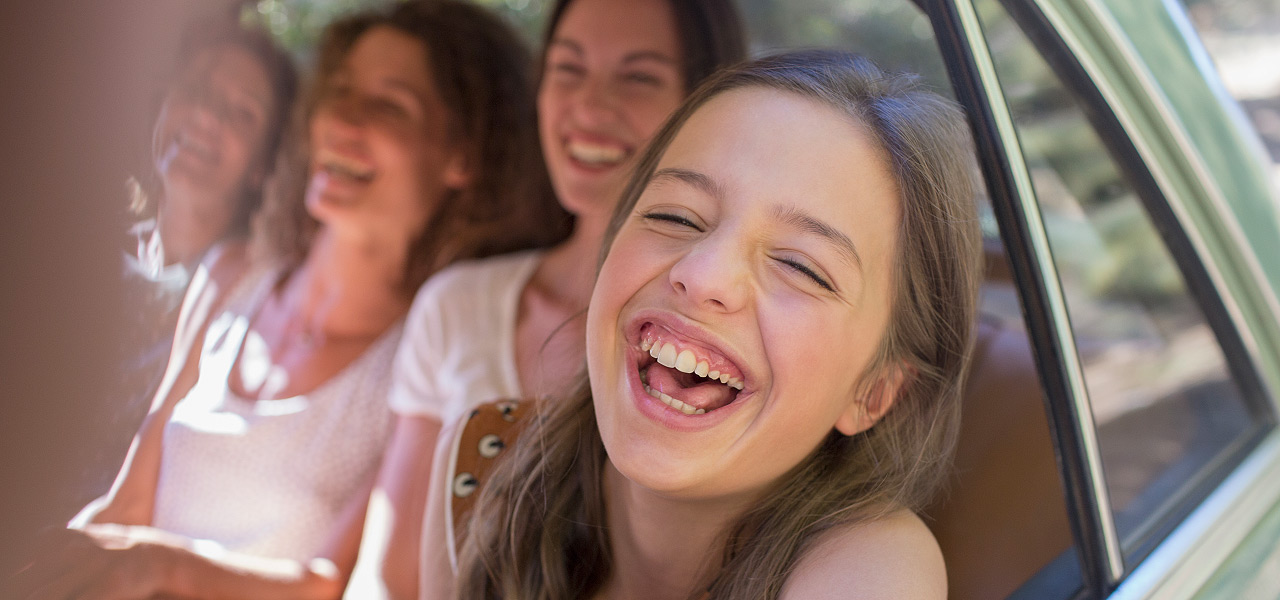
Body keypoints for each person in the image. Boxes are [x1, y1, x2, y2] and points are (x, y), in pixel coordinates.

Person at [10, 2, 560, 598]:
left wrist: (159, 569)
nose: (342, 119)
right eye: (340, 90)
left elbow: (330, 584)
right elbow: (125, 505)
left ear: (464, 157)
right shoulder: (230, 274)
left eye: (388, 105)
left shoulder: (424, 356)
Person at [430, 50, 985, 599]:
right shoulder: (484, 463)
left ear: (876, 390)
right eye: (675, 216)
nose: (703, 275)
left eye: (799, 266)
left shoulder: (875, 567)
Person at [350, 1, 746, 596]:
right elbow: (385, 578)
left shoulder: (716, 346)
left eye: (638, 77)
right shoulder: (456, 305)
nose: (589, 106)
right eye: (566, 68)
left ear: (705, 107)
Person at [120, 20, 296, 430]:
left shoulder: (249, 303)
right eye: (195, 89)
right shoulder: (79, 255)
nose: (205, 114)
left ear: (262, 166)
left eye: (241, 113)